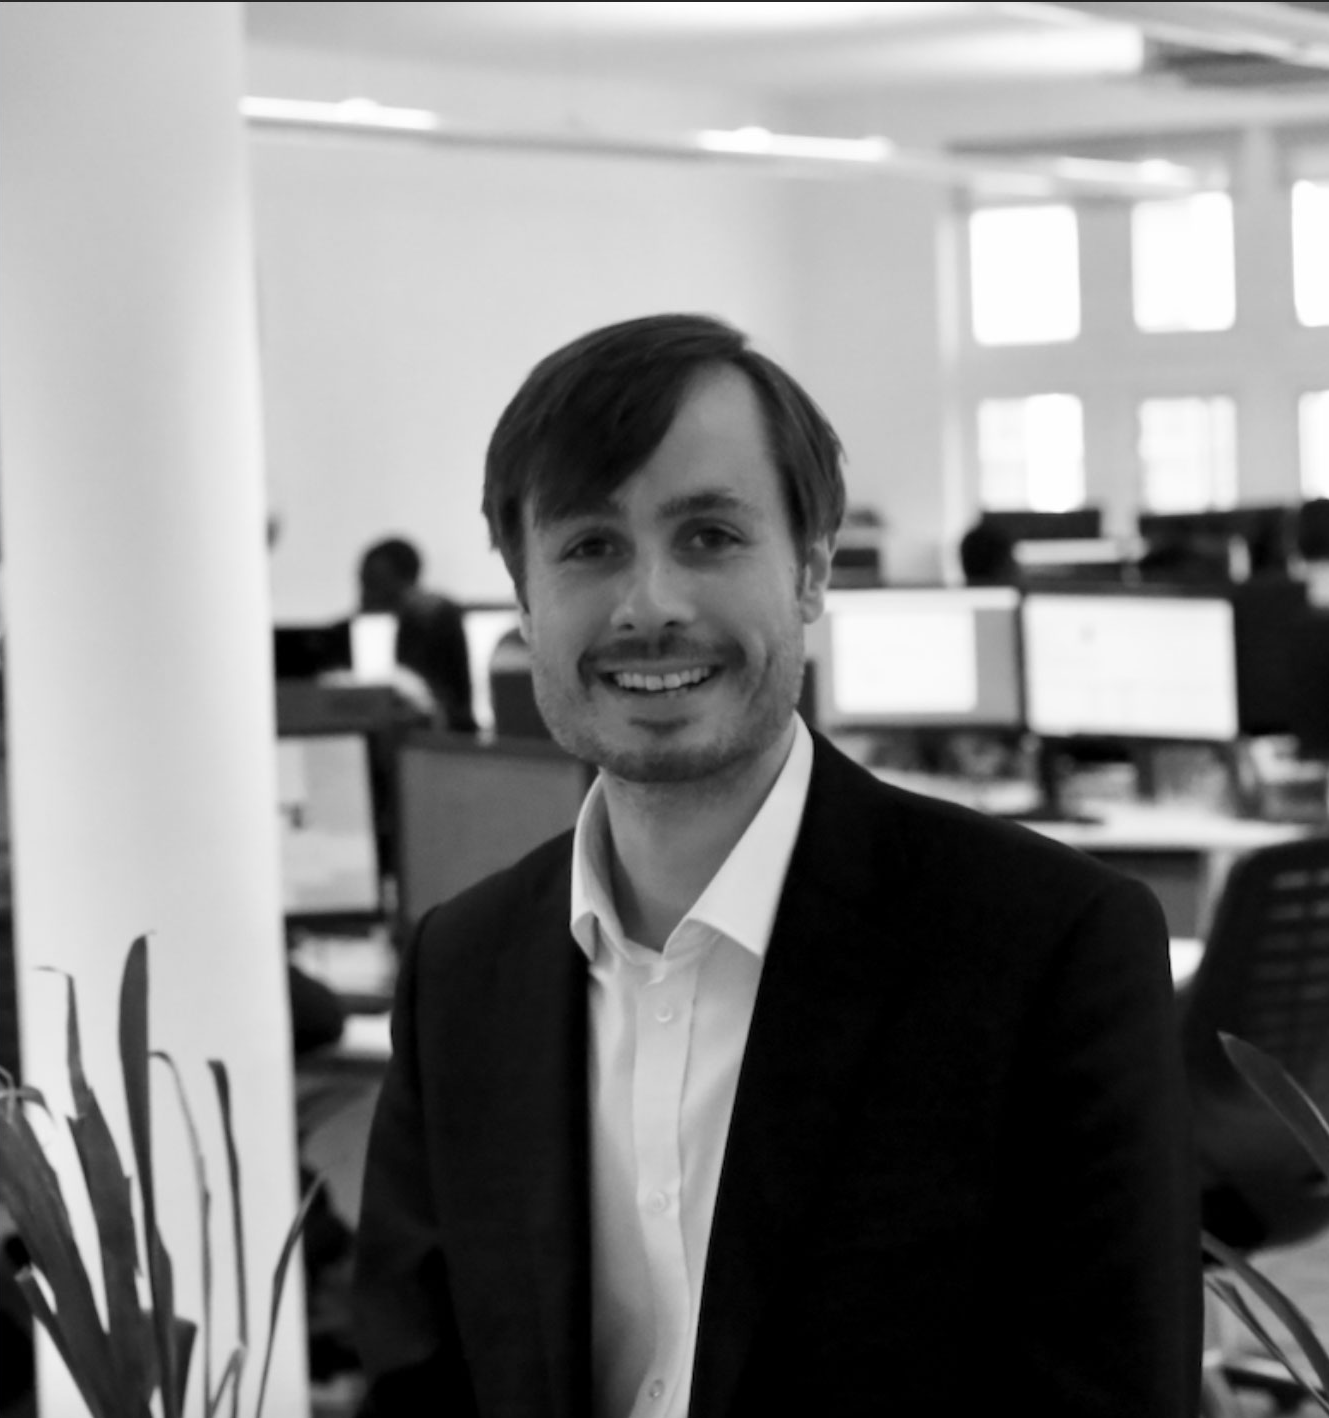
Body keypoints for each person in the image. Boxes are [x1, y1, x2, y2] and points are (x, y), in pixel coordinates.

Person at [352, 314, 1201, 1416]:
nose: (650, 604)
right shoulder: (462, 973)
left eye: (708, 536)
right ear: (524, 596)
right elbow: (419, 1387)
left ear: (810, 571)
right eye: (590, 546)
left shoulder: (1047, 949)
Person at [357, 536, 478, 732]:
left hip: (443, 732)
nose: (365, 594)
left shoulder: (431, 617)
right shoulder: (429, 613)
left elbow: (436, 697)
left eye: (372, 581)